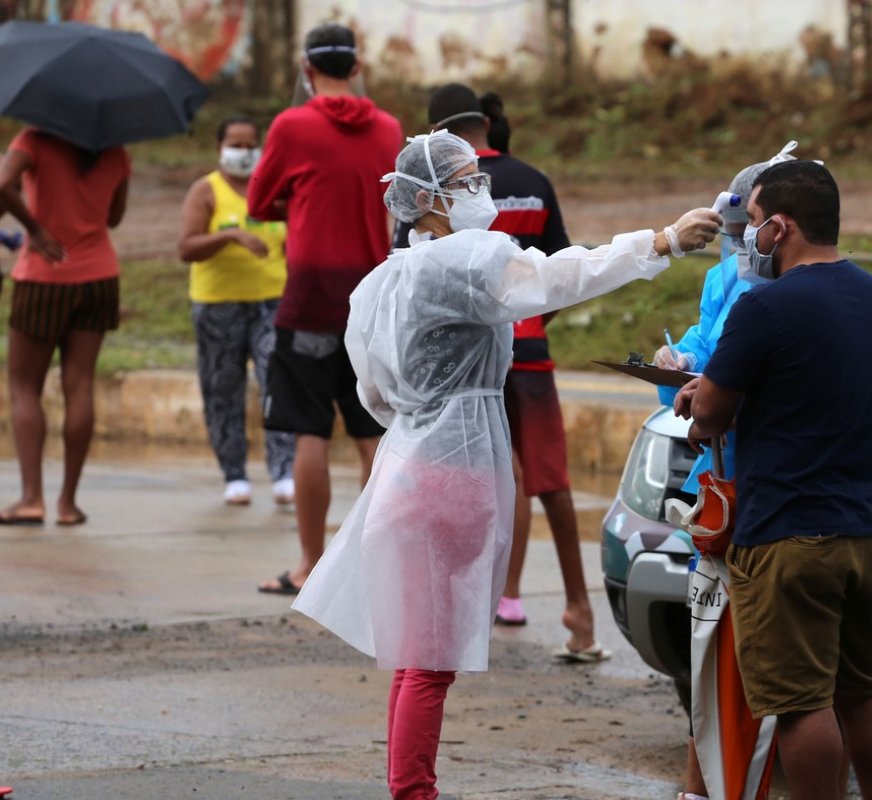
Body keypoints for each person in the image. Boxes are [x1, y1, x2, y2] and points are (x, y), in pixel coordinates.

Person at [292, 129, 720, 799]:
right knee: (431, 661)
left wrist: (423, 418)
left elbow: (372, 391)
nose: (480, 190)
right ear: (429, 199)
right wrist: (660, 241)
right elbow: (558, 276)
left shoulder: (388, 278)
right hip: (454, 467)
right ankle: (413, 791)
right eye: (467, 181)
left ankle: (410, 786)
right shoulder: (463, 261)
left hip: (409, 461)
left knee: (417, 656)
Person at [674, 160, 872, 800]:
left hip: (791, 536)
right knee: (867, 688)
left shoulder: (767, 308)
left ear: (780, 228)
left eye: (751, 224)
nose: (747, 237)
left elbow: (715, 413)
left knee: (803, 704)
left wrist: (699, 402)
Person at [406, 83, 603, 659]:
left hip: (463, 363)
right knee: (551, 478)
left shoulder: (431, 191)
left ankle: (470, 607)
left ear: (437, 133)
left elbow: (411, 276)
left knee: (471, 480)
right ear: (485, 123)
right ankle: (579, 613)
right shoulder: (534, 182)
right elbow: (563, 269)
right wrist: (531, 320)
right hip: (531, 348)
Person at [655, 142, 799, 800]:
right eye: (731, 238)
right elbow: (702, 350)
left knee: (773, 673)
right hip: (719, 491)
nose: (738, 252)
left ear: (779, 228)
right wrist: (676, 365)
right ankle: (701, 786)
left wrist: (701, 389)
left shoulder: (791, 296)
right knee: (710, 656)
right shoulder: (725, 280)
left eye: (747, 237)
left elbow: (726, 393)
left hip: (769, 501)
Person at [247, 23, 403, 595]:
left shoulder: (292, 125)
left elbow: (260, 200)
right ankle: (366, 561)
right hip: (370, 299)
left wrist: (304, 193)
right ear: (356, 68)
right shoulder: (388, 127)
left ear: (306, 70)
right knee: (371, 432)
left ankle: (310, 565)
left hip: (310, 297)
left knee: (309, 430)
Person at [0, 129, 130, 526]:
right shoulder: (115, 150)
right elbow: (114, 217)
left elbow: (2, 184)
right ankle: (68, 504)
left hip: (43, 275)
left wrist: (36, 229)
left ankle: (31, 498)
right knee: (80, 383)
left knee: (24, 387)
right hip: (99, 276)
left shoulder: (34, 140)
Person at [178, 115, 295, 507]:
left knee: (276, 383)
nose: (243, 153)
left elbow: (294, 239)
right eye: (235, 144)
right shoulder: (206, 191)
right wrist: (230, 236)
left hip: (271, 302)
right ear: (219, 148)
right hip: (218, 306)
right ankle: (235, 474)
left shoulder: (274, 189)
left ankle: (283, 471)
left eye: (250, 145)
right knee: (222, 390)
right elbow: (186, 247)